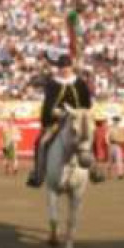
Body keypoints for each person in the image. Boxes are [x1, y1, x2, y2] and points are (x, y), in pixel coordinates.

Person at [26, 53, 104, 188]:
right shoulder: (53, 84)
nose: (64, 70)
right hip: (58, 120)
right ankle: (38, 174)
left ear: (71, 67)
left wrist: (82, 114)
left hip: (77, 119)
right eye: (62, 67)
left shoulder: (79, 83)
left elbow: (86, 103)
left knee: (89, 136)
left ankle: (94, 169)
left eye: (66, 67)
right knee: (41, 142)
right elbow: (48, 104)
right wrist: (56, 112)